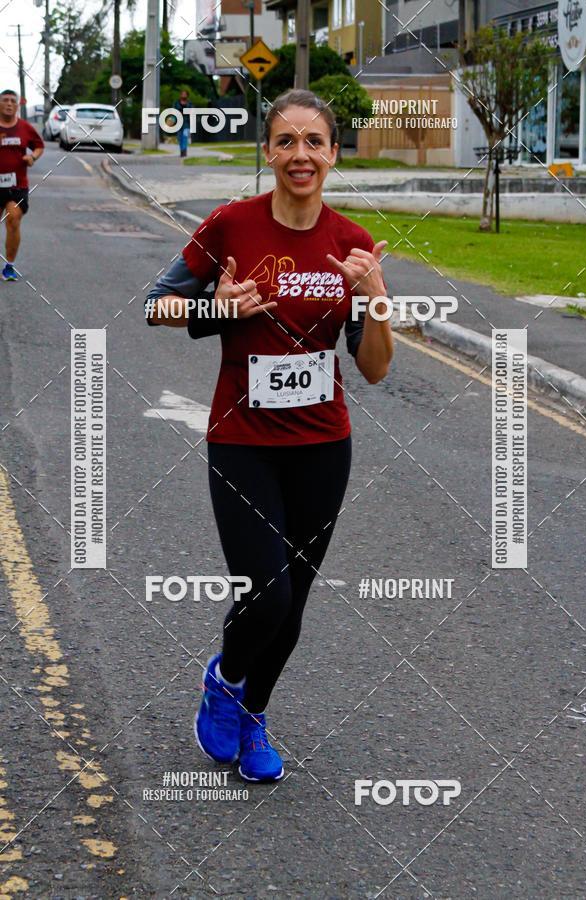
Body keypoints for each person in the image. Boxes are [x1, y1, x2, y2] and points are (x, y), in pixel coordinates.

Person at [145, 89, 393, 782]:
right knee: (269, 592)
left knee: (296, 605)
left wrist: (375, 297)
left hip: (323, 445)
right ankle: (223, 680)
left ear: (334, 153)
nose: (300, 155)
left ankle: (254, 714)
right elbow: (153, 306)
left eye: (314, 142)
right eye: (286, 141)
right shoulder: (229, 224)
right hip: (241, 441)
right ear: (268, 151)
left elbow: (372, 369)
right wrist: (212, 305)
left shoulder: (351, 244)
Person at [0, 89, 44, 281]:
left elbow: (39, 146)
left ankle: (9, 266)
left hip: (16, 185)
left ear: (17, 105)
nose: (9, 104)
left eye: (12, 101)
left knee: (14, 219)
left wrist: (32, 157)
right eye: (5, 100)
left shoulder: (25, 128)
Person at [174, 90, 191, 158]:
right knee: (179, 138)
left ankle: (184, 152)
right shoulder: (176, 103)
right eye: (182, 94)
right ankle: (181, 150)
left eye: (185, 94)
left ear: (187, 95)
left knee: (185, 137)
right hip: (178, 123)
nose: (184, 95)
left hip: (186, 123)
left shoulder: (189, 103)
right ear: (180, 95)